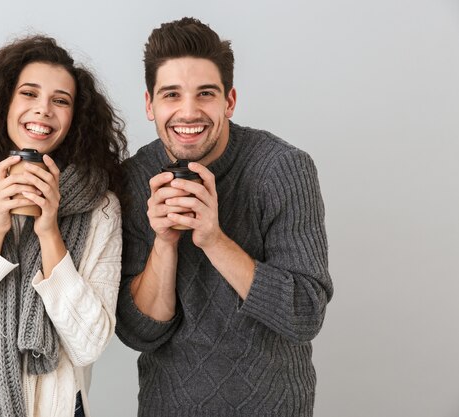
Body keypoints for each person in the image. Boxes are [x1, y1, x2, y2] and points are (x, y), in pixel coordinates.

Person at [115, 17, 333, 417]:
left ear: (229, 101)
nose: (188, 111)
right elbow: (137, 332)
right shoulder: (133, 179)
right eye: (171, 95)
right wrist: (164, 242)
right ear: (150, 104)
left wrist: (213, 239)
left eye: (205, 94)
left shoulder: (283, 169)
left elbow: (304, 314)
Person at [0, 34, 127, 417]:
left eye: (60, 100)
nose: (43, 110)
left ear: (74, 117)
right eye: (29, 93)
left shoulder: (101, 208)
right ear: (5, 103)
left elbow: (89, 343)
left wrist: (50, 232)